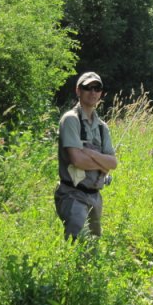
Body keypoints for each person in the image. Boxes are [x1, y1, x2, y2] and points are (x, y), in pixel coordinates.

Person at [54, 72, 117, 241]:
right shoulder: (70, 120)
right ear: (78, 91)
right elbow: (77, 160)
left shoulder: (103, 127)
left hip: (95, 197)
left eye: (97, 88)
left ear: (101, 93)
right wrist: (102, 164)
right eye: (87, 87)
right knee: (77, 245)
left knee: (92, 248)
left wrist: (90, 153)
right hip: (73, 194)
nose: (92, 92)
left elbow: (113, 163)